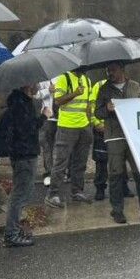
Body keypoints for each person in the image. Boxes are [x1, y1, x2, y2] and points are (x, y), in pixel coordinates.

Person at [93, 62, 140, 223]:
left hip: (133, 136)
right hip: (114, 136)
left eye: (113, 70)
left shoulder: (135, 86)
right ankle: (117, 210)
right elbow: (98, 112)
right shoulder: (104, 89)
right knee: (116, 174)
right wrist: (107, 109)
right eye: (108, 70)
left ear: (122, 70)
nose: (110, 73)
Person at [0, 83, 44, 247]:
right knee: (20, 194)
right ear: (27, 85)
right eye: (36, 82)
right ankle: (11, 234)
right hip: (24, 154)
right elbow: (28, 130)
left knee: (22, 193)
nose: (39, 86)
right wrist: (44, 117)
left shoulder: (22, 102)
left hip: (25, 153)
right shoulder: (21, 105)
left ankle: (15, 229)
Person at [47, 70, 95, 207]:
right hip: (66, 127)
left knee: (80, 162)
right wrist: (75, 93)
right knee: (61, 162)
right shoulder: (64, 78)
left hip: (84, 126)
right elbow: (58, 101)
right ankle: (52, 194)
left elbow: (87, 104)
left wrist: (90, 123)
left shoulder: (86, 80)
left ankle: (77, 191)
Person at [35, 79, 57, 187]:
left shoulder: (63, 75)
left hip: (63, 116)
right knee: (47, 146)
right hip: (48, 116)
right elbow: (36, 94)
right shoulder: (42, 78)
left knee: (62, 147)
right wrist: (48, 90)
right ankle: (49, 173)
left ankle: (61, 173)